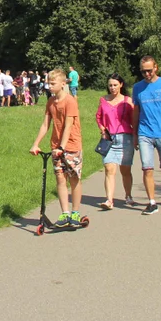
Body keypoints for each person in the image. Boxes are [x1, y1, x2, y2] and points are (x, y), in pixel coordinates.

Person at [30, 69, 84, 228]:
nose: (49, 86)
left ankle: (75, 212)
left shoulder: (70, 101)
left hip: (72, 145)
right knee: (60, 179)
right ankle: (65, 213)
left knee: (74, 178)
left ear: (63, 84)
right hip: (56, 147)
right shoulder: (51, 102)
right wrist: (36, 143)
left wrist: (62, 146)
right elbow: (46, 124)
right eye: (48, 83)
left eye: (52, 83)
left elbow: (68, 126)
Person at [131, 56, 161, 215]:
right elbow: (136, 111)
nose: (146, 74)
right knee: (147, 168)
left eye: (149, 71)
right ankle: (152, 202)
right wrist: (134, 134)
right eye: (143, 71)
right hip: (144, 133)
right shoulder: (138, 88)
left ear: (156, 68)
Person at [95, 73, 136, 210]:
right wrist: (102, 129)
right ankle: (109, 200)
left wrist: (136, 136)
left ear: (121, 85)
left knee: (125, 170)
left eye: (115, 85)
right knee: (109, 168)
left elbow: (134, 120)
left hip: (125, 138)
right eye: (110, 85)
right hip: (109, 139)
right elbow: (99, 117)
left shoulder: (127, 101)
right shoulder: (103, 100)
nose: (112, 88)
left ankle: (128, 195)